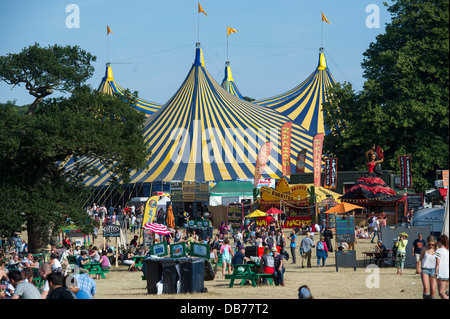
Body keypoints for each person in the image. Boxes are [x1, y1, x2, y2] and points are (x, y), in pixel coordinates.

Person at [435, 235, 449, 299]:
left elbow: (437, 263)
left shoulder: (438, 251)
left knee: (441, 293)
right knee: (444, 293)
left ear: (440, 241)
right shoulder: (447, 251)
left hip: (441, 274)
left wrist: (435, 274)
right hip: (447, 274)